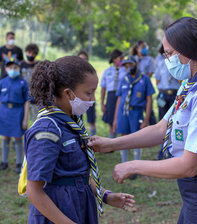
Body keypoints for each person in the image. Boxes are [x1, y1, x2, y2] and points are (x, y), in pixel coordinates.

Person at [89, 17, 197, 223]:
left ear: (190, 49)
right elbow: (161, 128)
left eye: (171, 54)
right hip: (194, 193)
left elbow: (189, 165)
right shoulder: (191, 83)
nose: (168, 60)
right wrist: (112, 144)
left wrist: (133, 166)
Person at [25, 56, 135, 224]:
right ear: (68, 93)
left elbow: (77, 174)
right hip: (58, 212)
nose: (92, 99)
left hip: (80, 206)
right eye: (88, 93)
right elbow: (34, 191)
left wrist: (104, 195)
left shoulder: (72, 123)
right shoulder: (48, 130)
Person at [113, 55, 154, 179]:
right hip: (123, 112)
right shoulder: (124, 79)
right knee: (123, 138)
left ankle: (137, 168)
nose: (128, 67)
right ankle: (125, 165)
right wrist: (115, 119)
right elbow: (119, 99)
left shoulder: (144, 79)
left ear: (135, 63)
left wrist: (146, 119)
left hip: (136, 112)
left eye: (130, 64)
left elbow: (149, 99)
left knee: (137, 139)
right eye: (125, 65)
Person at [0, 57, 29, 173]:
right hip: (4, 112)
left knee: (18, 138)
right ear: (6, 68)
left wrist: (25, 119)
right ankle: (4, 161)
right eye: (10, 67)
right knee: (5, 137)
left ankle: (18, 163)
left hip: (18, 112)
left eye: (15, 67)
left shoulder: (23, 82)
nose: (13, 69)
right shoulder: (2, 82)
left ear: (19, 68)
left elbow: (27, 101)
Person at [100, 49, 126, 138]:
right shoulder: (107, 71)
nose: (121, 60)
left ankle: (121, 141)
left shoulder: (125, 70)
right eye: (120, 58)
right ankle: (111, 141)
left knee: (121, 117)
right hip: (111, 96)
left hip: (122, 95)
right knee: (111, 119)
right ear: (114, 58)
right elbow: (103, 88)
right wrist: (102, 103)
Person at [132, 40, 157, 125]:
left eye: (145, 47)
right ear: (137, 48)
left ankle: (151, 125)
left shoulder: (149, 59)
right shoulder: (133, 59)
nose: (145, 49)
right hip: (134, 87)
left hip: (145, 85)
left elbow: (150, 73)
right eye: (142, 47)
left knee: (149, 109)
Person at [155, 45, 181, 120]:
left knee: (174, 117)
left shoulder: (178, 63)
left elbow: (181, 80)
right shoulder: (161, 63)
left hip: (175, 95)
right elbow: (157, 80)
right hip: (163, 95)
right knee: (162, 117)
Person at [77, 50, 97, 136]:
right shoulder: (74, 72)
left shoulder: (92, 72)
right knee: (78, 121)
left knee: (91, 121)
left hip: (89, 99)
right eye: (81, 59)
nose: (83, 61)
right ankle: (80, 139)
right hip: (78, 100)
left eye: (85, 59)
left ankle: (93, 140)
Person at [21, 43, 40, 121]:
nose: (31, 55)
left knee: (35, 120)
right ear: (26, 52)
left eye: (33, 53)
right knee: (22, 120)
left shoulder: (39, 64)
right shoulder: (21, 64)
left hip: (35, 97)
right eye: (29, 53)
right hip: (23, 95)